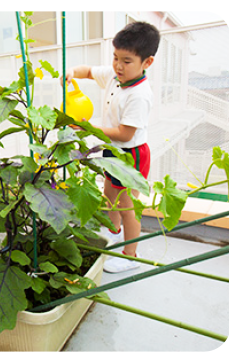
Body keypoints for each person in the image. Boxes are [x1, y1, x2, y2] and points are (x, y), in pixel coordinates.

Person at [64, 22, 160, 273]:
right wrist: (71, 71)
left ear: (146, 62)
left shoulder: (139, 95)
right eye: (115, 57)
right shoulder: (115, 76)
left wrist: (87, 128)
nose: (118, 65)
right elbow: (87, 71)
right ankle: (113, 232)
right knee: (110, 195)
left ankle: (131, 254)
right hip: (112, 149)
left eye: (126, 61)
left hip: (131, 154)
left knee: (128, 207)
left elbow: (125, 133)